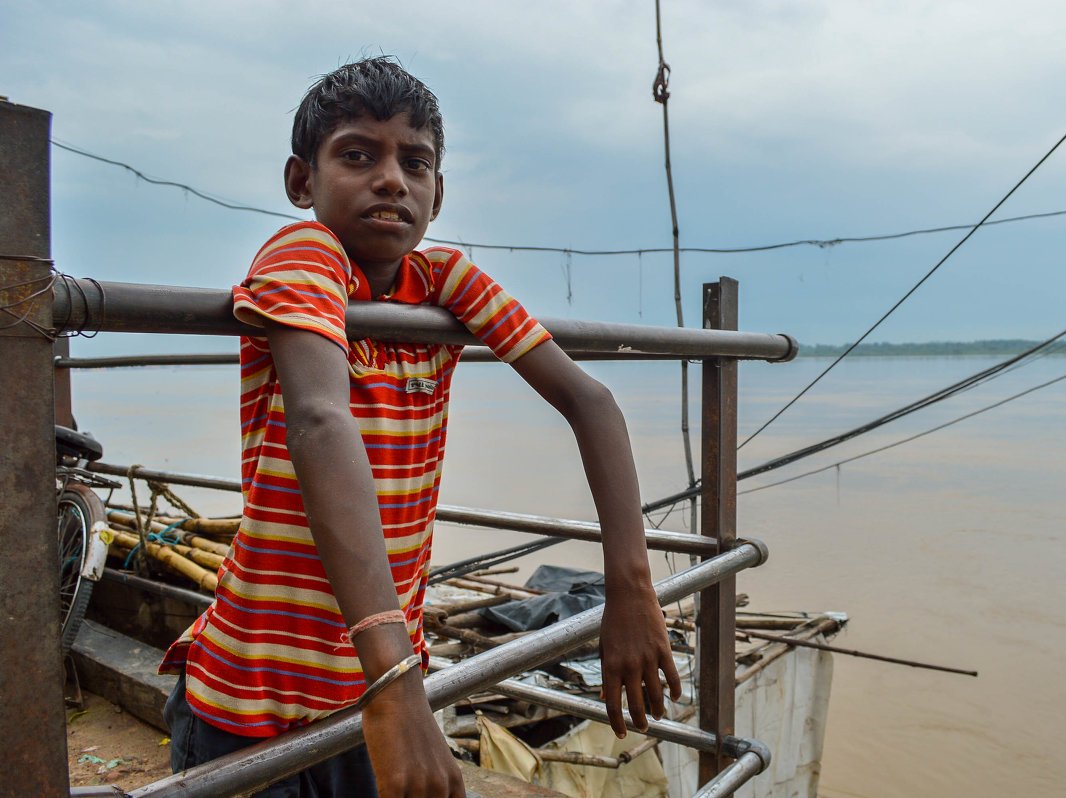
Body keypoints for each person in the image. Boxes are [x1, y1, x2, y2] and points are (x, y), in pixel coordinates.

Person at [159, 56, 681, 797]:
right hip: (252, 699)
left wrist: (632, 589)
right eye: (358, 155)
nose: (391, 180)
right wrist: (399, 681)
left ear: (437, 194)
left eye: (416, 162)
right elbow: (318, 416)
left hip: (365, 696)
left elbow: (590, 401)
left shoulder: (445, 283)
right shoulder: (303, 254)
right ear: (301, 181)